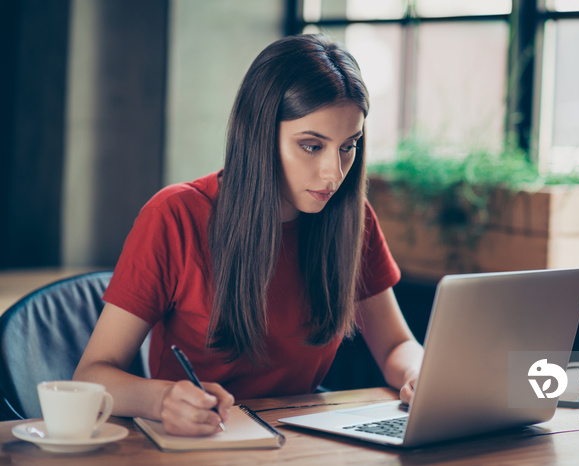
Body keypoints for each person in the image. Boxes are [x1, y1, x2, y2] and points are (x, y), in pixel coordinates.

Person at [74, 33, 424, 437]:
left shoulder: (351, 219)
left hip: (304, 441)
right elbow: (92, 376)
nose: (334, 173)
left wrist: (418, 373)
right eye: (312, 146)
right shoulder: (175, 216)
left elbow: (396, 345)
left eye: (349, 146)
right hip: (198, 441)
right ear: (259, 134)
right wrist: (163, 398)